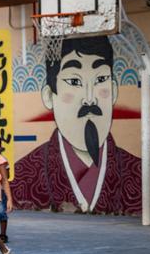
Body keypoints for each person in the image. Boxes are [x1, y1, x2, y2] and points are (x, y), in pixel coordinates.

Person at [11, 36, 140, 214]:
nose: (89, 99)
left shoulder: (139, 174)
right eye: (74, 82)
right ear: (49, 96)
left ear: (114, 91)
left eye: (100, 79)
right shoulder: (23, 178)